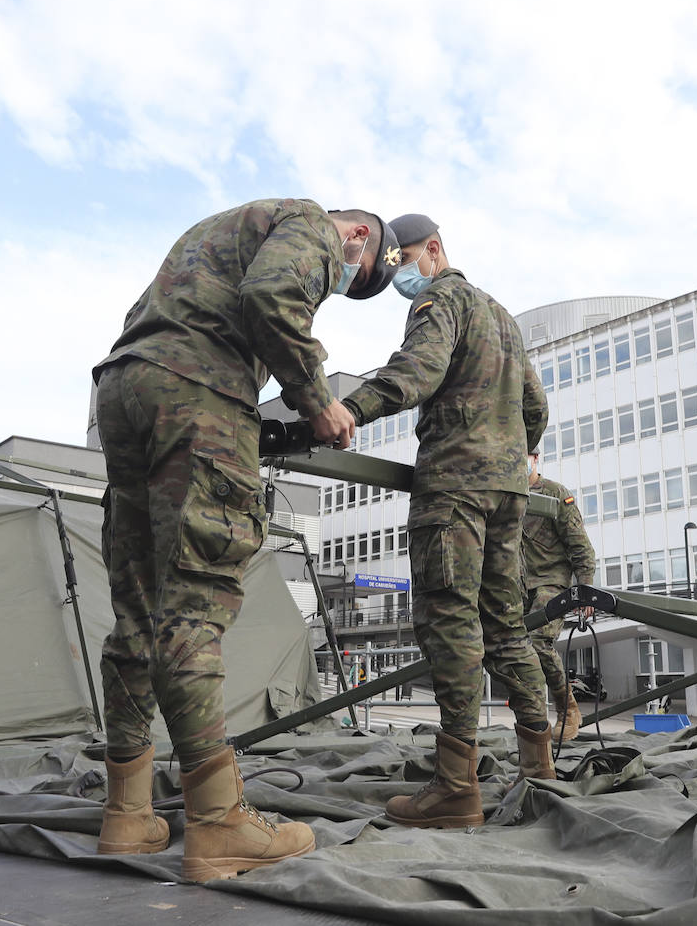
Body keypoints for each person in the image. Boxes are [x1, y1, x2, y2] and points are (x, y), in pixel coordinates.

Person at [93, 199, 399, 881]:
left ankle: (126, 812)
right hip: (197, 391)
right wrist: (319, 398)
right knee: (194, 606)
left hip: (126, 384)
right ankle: (217, 821)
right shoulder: (317, 228)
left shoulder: (227, 227)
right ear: (359, 237)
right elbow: (273, 294)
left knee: (137, 610)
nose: (344, 280)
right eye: (357, 275)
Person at [338, 213, 551, 830]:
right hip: (507, 491)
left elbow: (416, 374)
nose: (400, 273)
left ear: (433, 249)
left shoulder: (439, 300)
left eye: (403, 259)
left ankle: (456, 787)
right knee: (504, 620)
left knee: (450, 621)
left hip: (454, 488)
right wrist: (514, 452)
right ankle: (539, 768)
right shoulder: (500, 315)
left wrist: (345, 409)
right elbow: (535, 405)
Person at [521, 449, 597, 745]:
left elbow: (580, 545)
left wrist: (585, 588)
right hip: (517, 586)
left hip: (551, 583)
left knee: (538, 641)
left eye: (525, 454)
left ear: (535, 458)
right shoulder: (505, 495)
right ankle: (532, 719)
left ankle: (568, 709)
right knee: (510, 649)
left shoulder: (554, 493)